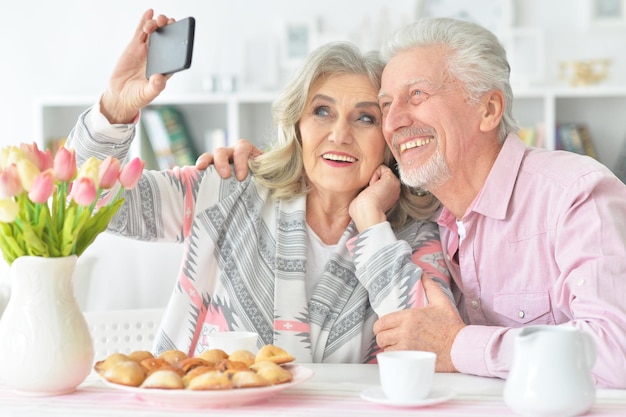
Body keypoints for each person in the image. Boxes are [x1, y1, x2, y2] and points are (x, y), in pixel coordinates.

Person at [205, 18, 626, 387]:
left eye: (418, 95)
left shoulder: (574, 193)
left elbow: (616, 352)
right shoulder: (428, 222)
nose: (394, 122)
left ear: (488, 109)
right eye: (385, 106)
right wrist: (270, 164)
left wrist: (460, 345)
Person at [64, 9, 453, 364]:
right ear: (297, 125)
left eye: (365, 118)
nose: (339, 134)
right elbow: (87, 201)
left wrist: (371, 221)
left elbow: (428, 345)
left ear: (388, 138)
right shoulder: (228, 189)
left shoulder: (413, 235)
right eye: (321, 111)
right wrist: (115, 108)